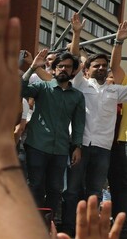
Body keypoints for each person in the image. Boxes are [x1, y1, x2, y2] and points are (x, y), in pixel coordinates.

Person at [63, 15, 127, 235]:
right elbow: (75, 57)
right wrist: (76, 33)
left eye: (103, 66)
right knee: (72, 190)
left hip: (103, 148)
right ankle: (70, 227)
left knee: (95, 192)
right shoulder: (80, 84)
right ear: (86, 70)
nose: (100, 68)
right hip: (80, 146)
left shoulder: (115, 91)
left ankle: (88, 229)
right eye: (95, 65)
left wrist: (119, 42)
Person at [21, 49, 85, 225]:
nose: (64, 69)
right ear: (54, 69)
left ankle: (47, 225)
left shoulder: (78, 96)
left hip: (61, 148)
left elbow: (79, 124)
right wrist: (32, 68)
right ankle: (32, 224)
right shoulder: (43, 87)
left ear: (73, 71)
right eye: (60, 66)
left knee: (55, 189)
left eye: (68, 67)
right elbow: (19, 90)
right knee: (35, 185)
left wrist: (77, 146)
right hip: (37, 145)